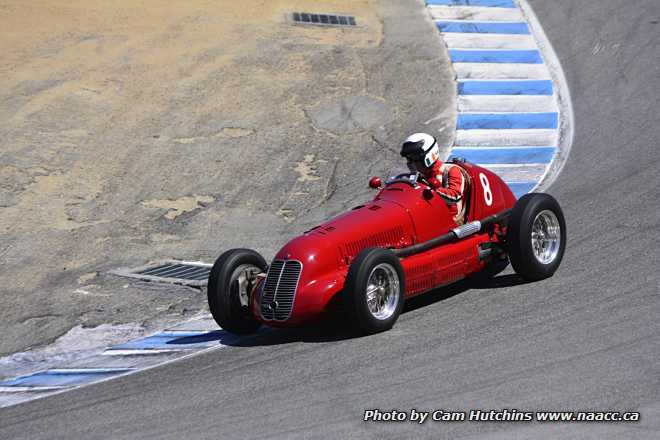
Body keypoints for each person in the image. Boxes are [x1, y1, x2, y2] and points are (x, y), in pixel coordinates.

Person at [400, 132, 467, 224]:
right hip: (428, 221)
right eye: (409, 159)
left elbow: (455, 196)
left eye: (415, 158)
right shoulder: (417, 177)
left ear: (429, 156)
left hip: (451, 225)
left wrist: (434, 189)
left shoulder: (450, 171)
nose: (412, 163)